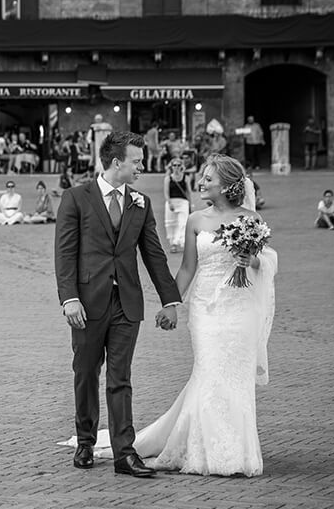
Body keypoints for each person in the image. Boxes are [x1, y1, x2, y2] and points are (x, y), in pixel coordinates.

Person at [89, 154, 277, 477]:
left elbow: (267, 262)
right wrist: (171, 303)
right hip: (205, 309)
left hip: (240, 309)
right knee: (210, 371)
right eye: (202, 177)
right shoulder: (195, 220)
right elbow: (188, 267)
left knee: (235, 377)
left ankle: (236, 452)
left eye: (208, 178)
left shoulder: (251, 219)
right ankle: (206, 451)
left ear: (228, 185)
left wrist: (251, 261)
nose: (200, 182)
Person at [54, 131, 181, 476]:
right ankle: (85, 442)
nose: (142, 166)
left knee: (120, 377)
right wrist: (69, 298)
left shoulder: (140, 202)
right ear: (116, 163)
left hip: (127, 303)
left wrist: (169, 299)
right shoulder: (76, 198)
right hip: (86, 303)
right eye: (137, 161)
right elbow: (65, 254)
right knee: (85, 373)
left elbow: (153, 254)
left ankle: (125, 454)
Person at [163, 157, 192, 253]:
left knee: (183, 223)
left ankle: (180, 242)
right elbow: (166, 192)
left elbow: (189, 192)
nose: (176, 167)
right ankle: (173, 244)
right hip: (172, 202)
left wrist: (190, 204)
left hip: (183, 202)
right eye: (174, 165)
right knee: (171, 223)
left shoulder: (186, 178)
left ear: (181, 166)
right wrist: (169, 202)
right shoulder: (168, 178)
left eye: (178, 165)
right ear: (171, 167)